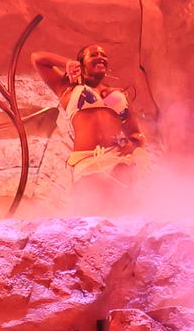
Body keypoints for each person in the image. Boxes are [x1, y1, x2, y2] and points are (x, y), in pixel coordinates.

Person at [33, 46, 145, 212]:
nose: (100, 57)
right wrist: (67, 63)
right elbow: (38, 57)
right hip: (87, 160)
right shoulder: (67, 87)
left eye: (104, 55)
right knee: (91, 212)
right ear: (82, 62)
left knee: (122, 213)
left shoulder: (119, 93)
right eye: (94, 54)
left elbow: (136, 133)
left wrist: (132, 142)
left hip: (118, 158)